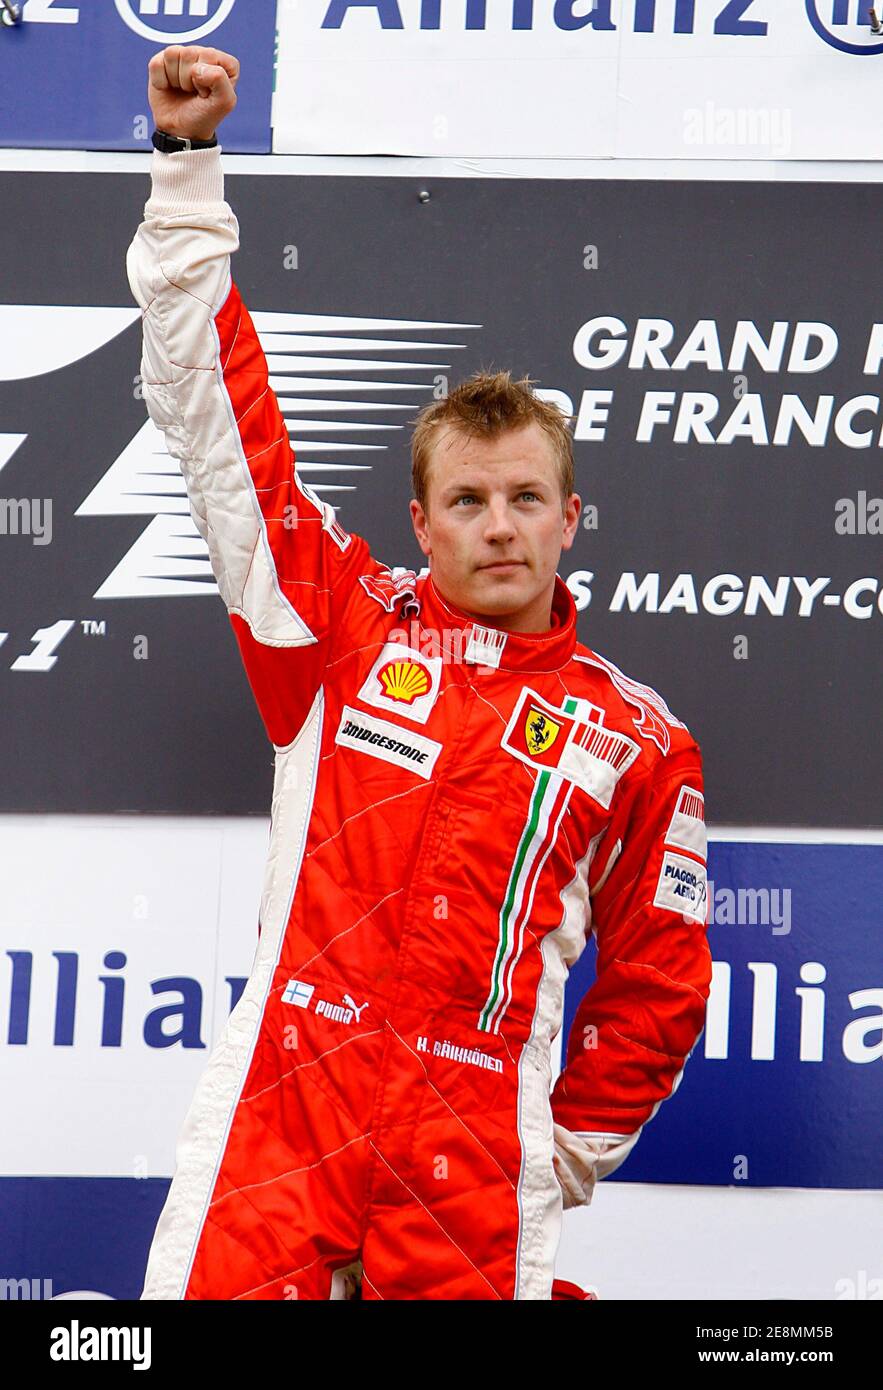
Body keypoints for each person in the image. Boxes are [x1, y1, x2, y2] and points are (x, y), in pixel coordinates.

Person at [128, 45, 712, 1302]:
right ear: (421, 521)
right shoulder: (339, 627)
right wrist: (186, 176)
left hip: (468, 1157)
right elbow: (224, 436)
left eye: (525, 499)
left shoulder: (640, 738)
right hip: (288, 1114)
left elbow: (661, 982)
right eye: (468, 500)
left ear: (571, 518)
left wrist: (552, 1149)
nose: (499, 525)